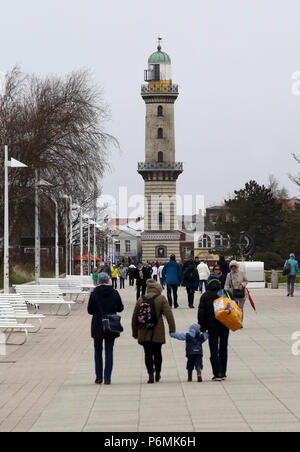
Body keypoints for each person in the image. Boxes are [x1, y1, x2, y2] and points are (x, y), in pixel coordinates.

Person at [132, 279, 176, 384]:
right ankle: (158, 373)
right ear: (158, 289)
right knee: (157, 352)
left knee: (147, 353)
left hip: (143, 330)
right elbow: (169, 314)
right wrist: (172, 329)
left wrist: (135, 332)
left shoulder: (140, 299)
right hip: (157, 330)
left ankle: (150, 374)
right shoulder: (161, 298)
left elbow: (134, 317)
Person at [88, 272, 124, 385]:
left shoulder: (94, 294)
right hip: (111, 325)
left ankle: (99, 377)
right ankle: (107, 377)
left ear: (98, 281)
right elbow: (121, 308)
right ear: (108, 280)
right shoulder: (114, 292)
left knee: (97, 350)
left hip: (98, 324)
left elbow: (90, 311)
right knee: (109, 351)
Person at [198, 277, 232, 381]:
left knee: (214, 349)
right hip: (225, 324)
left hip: (212, 326)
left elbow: (201, 313)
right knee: (223, 348)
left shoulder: (205, 295)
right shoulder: (225, 293)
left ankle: (217, 373)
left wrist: (202, 328)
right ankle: (223, 372)